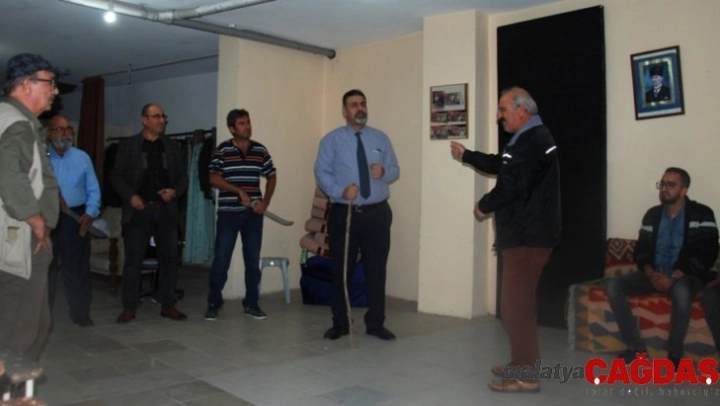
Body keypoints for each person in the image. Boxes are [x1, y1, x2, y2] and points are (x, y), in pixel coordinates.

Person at [450, 87, 561, 393]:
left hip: (528, 236)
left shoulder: (533, 140)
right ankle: (521, 362)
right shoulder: (527, 138)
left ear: (522, 110)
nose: (499, 116)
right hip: (525, 234)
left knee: (516, 307)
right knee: (517, 304)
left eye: (502, 109)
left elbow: (514, 184)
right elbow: (503, 165)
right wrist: (467, 156)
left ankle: (526, 375)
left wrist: (484, 205)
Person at [606, 168, 719, 368]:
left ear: (684, 190)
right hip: (654, 273)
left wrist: (673, 277)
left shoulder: (702, 214)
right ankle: (636, 348)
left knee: (682, 291)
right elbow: (641, 250)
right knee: (614, 285)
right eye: (662, 184)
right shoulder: (652, 215)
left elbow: (706, 253)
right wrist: (651, 273)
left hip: (687, 276)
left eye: (671, 184)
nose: (664, 189)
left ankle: (674, 353)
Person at [314, 89, 400, 341]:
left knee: (377, 270)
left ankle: (376, 323)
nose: (359, 108)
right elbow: (321, 172)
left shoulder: (380, 138)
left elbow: (395, 169)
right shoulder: (331, 141)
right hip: (345, 213)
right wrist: (339, 191)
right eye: (353, 105)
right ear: (344, 111)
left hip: (377, 214)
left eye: (362, 104)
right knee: (342, 269)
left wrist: (384, 172)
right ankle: (340, 322)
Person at [0, 53, 61, 361]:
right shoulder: (17, 125)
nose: (55, 90)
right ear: (26, 84)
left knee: (34, 323)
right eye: (50, 83)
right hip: (19, 238)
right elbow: (8, 174)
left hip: (14, 236)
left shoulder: (9, 118)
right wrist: (36, 220)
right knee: (21, 330)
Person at [111, 103, 188, 323]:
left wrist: (174, 192)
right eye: (156, 116)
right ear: (144, 120)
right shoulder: (128, 146)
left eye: (163, 116)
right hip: (138, 212)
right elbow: (116, 177)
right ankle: (129, 306)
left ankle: (168, 305)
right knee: (133, 262)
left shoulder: (172, 146)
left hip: (165, 212)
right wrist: (131, 196)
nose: (161, 120)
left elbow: (183, 178)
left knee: (169, 260)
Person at [204, 109, 277, 321]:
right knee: (222, 260)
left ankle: (251, 303)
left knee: (252, 262)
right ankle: (214, 302)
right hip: (228, 215)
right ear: (232, 128)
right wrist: (238, 191)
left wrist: (265, 201)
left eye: (248, 122)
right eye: (242, 123)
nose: (247, 127)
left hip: (253, 215)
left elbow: (272, 176)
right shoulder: (223, 149)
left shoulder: (260, 150)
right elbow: (213, 178)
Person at [46, 114, 101, 327]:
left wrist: (90, 213)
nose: (65, 133)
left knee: (77, 268)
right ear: (49, 133)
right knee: (46, 269)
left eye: (68, 129)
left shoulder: (82, 157)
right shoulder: (40, 158)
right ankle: (44, 317)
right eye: (59, 129)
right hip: (47, 218)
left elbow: (93, 189)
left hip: (75, 218)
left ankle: (80, 313)